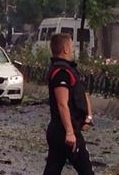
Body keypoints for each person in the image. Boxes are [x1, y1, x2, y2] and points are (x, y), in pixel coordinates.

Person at [43, 33, 94, 175]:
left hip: (65, 130)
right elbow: (62, 104)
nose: (73, 49)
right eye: (71, 46)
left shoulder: (71, 70)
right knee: (86, 171)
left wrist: (88, 117)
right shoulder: (61, 73)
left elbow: (82, 93)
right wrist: (70, 133)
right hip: (64, 132)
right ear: (65, 48)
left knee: (52, 170)